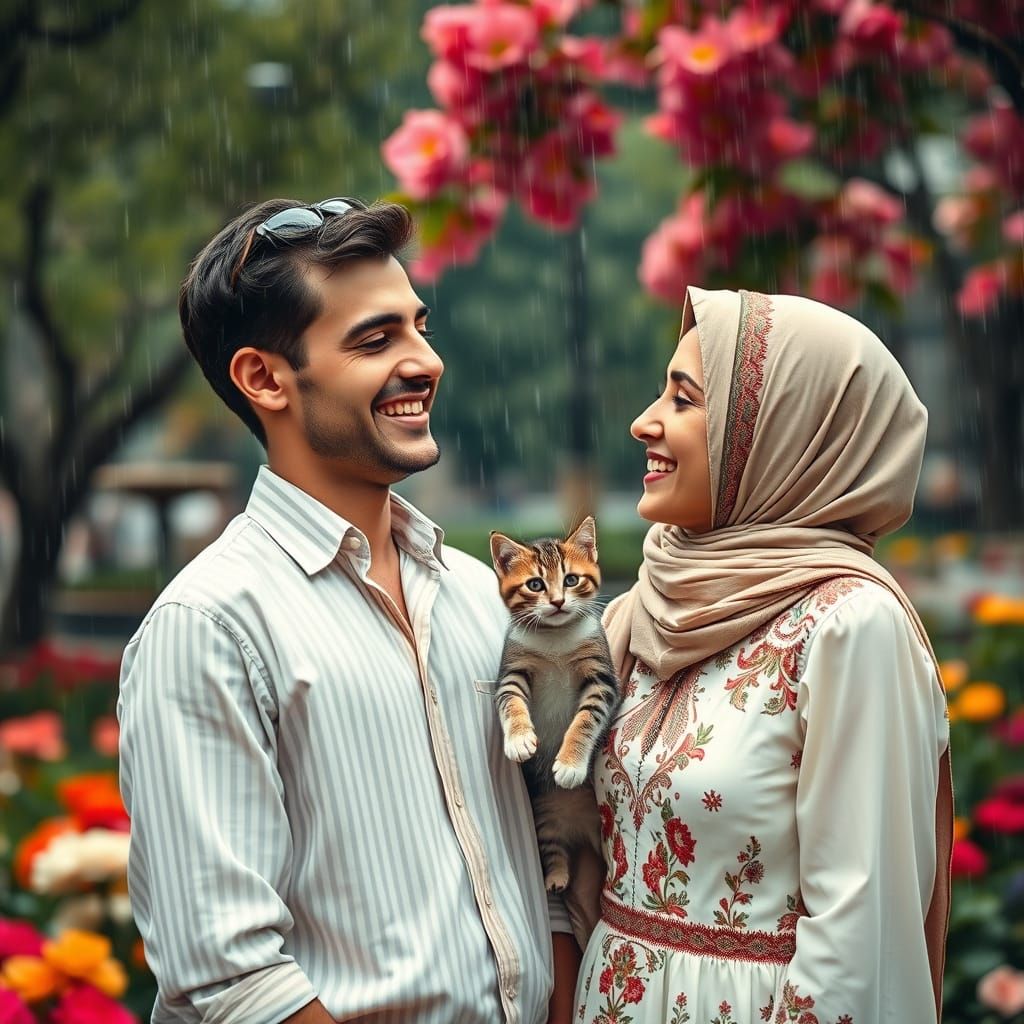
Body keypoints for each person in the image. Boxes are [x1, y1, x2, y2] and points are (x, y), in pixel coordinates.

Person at [117, 197, 579, 1024]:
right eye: (376, 340)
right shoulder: (211, 627)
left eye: (419, 326)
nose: (425, 361)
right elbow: (230, 975)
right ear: (264, 379)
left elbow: (540, 880)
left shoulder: (479, 594)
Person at [570, 287, 952, 1022]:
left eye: (684, 401)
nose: (643, 422)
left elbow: (858, 937)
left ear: (781, 432)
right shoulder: (642, 610)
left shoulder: (849, 627)